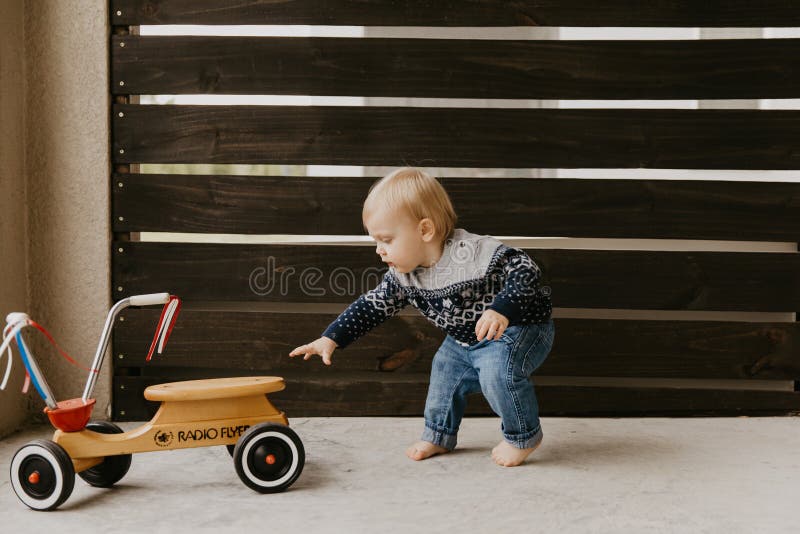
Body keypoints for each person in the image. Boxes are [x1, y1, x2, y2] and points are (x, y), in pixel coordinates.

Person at [289, 167, 554, 467]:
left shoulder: (470, 252)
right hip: (465, 339)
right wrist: (331, 337)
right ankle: (438, 434)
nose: (379, 250)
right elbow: (372, 305)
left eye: (387, 240)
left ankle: (523, 436)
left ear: (425, 230)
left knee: (497, 373)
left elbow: (525, 268)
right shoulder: (404, 275)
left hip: (519, 329)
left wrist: (501, 309)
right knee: (444, 371)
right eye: (376, 241)